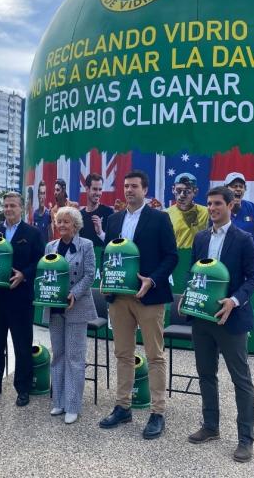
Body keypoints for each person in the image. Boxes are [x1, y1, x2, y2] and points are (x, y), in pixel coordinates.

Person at [98, 170, 179, 440]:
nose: (129, 190)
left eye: (134, 186)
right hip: (119, 299)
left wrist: (152, 281)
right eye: (125, 186)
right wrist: (105, 280)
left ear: (145, 190)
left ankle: (157, 412)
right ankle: (123, 407)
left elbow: (171, 256)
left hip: (149, 297)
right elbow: (108, 256)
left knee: (155, 356)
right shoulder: (114, 220)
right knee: (122, 353)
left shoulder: (159, 218)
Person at [184, 186, 254, 463]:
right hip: (202, 320)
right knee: (206, 374)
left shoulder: (244, 239)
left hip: (231, 319)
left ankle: (245, 439)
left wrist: (234, 301)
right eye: (210, 204)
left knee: (241, 380)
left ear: (230, 206)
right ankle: (211, 426)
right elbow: (193, 273)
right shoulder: (201, 238)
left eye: (218, 203)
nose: (213, 208)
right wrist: (187, 297)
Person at [0, 192, 45, 406]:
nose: (8, 209)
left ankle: (23, 388)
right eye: (5, 205)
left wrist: (24, 274)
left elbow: (39, 262)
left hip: (20, 297)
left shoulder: (32, 233)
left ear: (21, 208)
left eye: (12, 205)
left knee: (22, 345)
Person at [44, 206, 96, 424]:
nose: (62, 225)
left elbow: (90, 274)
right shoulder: (50, 246)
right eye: (59, 221)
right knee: (58, 355)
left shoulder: (86, 245)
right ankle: (59, 402)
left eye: (66, 221)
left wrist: (73, 294)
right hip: (55, 308)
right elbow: (46, 273)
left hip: (77, 307)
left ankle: (73, 405)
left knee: (75, 357)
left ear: (76, 225)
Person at [166, 172, 208, 249]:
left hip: (198, 258)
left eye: (187, 191)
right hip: (175, 258)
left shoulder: (206, 213)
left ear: (195, 192)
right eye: (178, 190)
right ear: (173, 190)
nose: (182, 195)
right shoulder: (164, 215)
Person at [223, 172, 254, 247]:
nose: (238, 189)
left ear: (245, 189)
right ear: (225, 189)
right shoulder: (218, 211)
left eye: (241, 186)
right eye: (234, 186)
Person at [79, 172, 114, 249]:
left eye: (100, 189)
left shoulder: (109, 212)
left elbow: (114, 244)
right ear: (87, 189)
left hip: (102, 259)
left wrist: (100, 232)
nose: (98, 193)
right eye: (95, 189)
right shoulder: (79, 215)